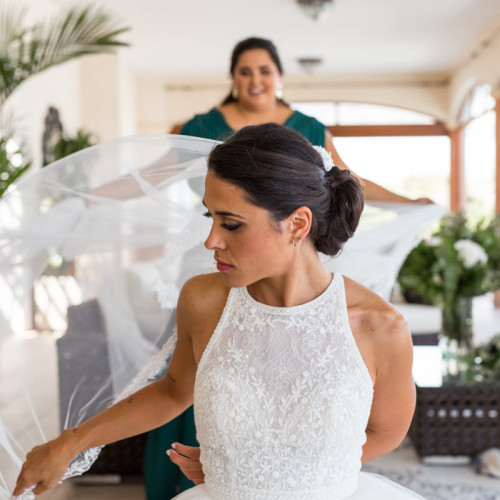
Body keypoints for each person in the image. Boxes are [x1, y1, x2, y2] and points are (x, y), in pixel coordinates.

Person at [14, 124, 423, 499]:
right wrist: (69, 442)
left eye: (231, 224)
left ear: (298, 225)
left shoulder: (380, 328)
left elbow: (385, 431)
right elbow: (173, 391)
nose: (210, 240)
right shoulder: (203, 300)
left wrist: (276, 471)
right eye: (210, 217)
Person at [178, 36, 432, 204]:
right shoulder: (200, 127)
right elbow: (160, 174)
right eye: (245, 72)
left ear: (279, 76)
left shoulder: (310, 129)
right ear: (234, 78)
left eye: (264, 71)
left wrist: (406, 202)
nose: (255, 81)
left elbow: (349, 182)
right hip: (211, 244)